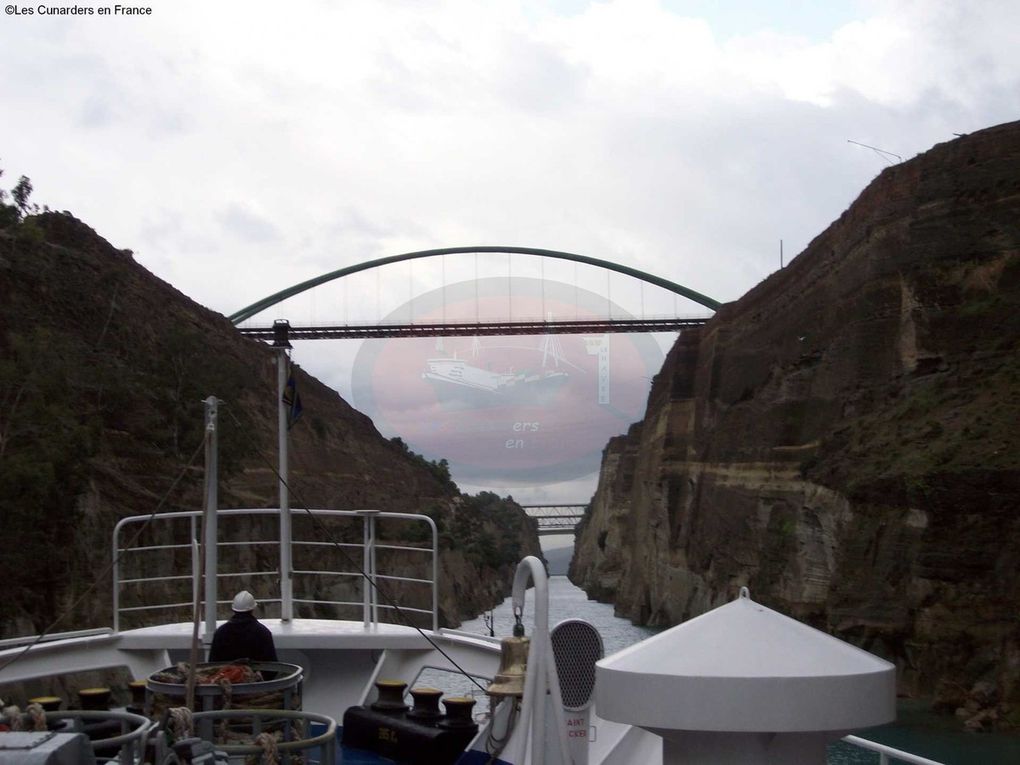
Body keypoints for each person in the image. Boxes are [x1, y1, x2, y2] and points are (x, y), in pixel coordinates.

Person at [208, 591, 278, 663]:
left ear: (233, 609)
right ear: (252, 609)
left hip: (225, 673)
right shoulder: (263, 632)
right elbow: (272, 668)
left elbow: (213, 664)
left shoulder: (220, 633)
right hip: (256, 673)